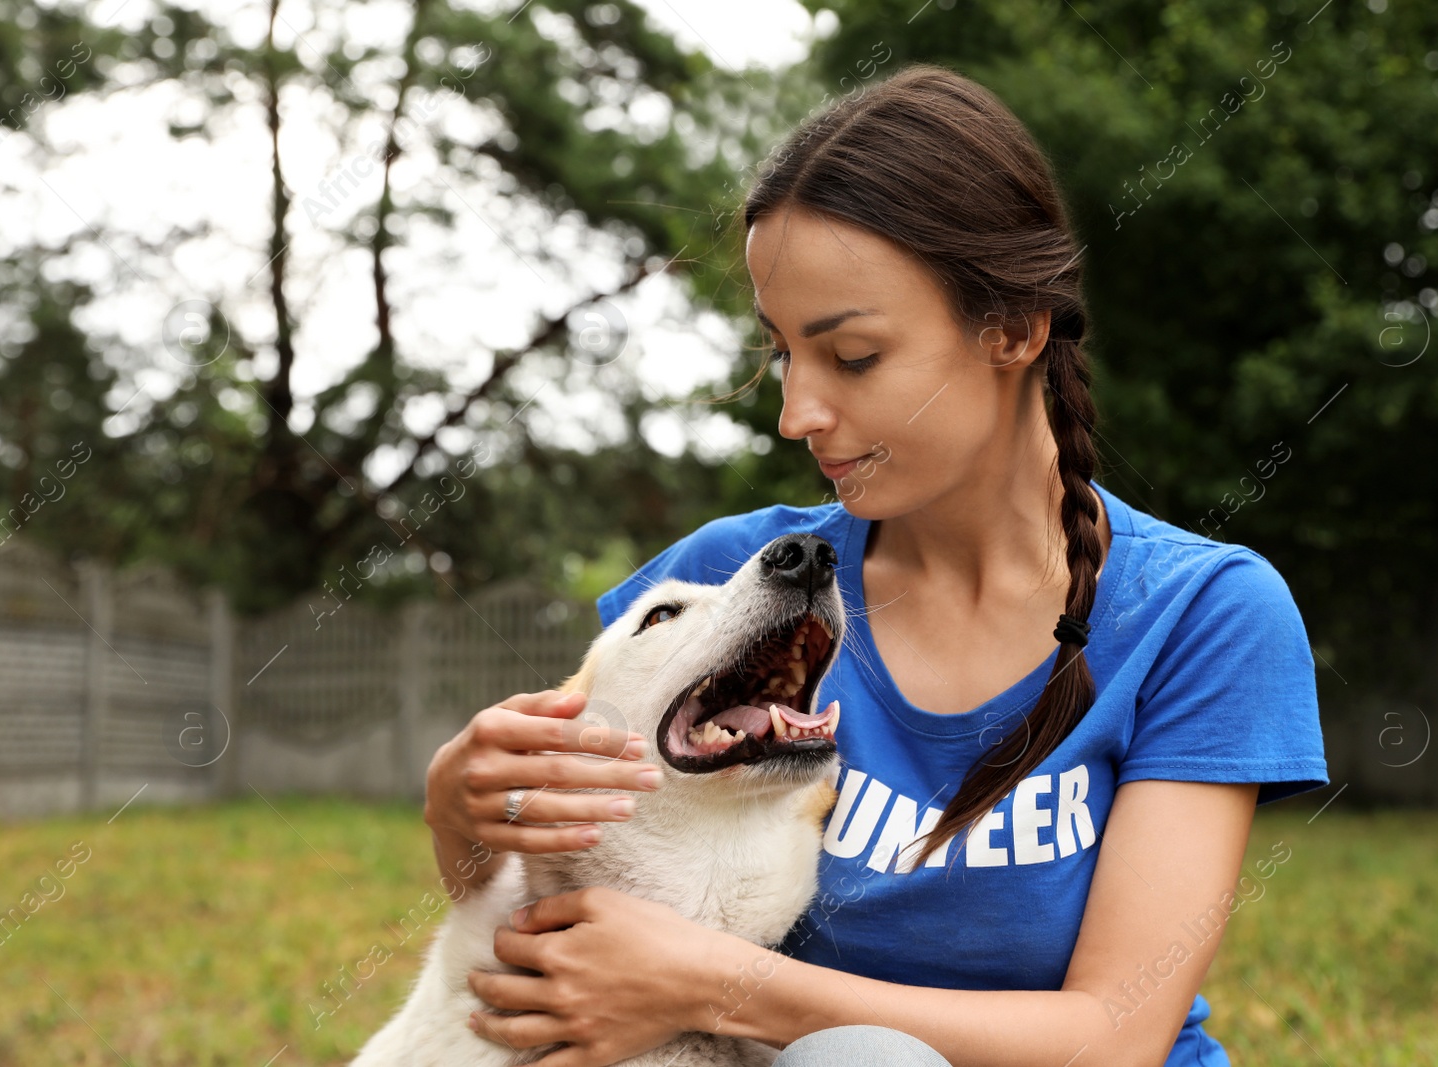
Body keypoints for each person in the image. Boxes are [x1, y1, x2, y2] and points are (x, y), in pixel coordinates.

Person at [420, 63, 1329, 1067]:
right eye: (780, 356)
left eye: (850, 356)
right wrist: (459, 801)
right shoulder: (738, 580)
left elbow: (1112, 1032)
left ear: (1014, 330)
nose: (796, 412)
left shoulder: (1200, 613)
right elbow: (544, 891)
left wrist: (714, 984)